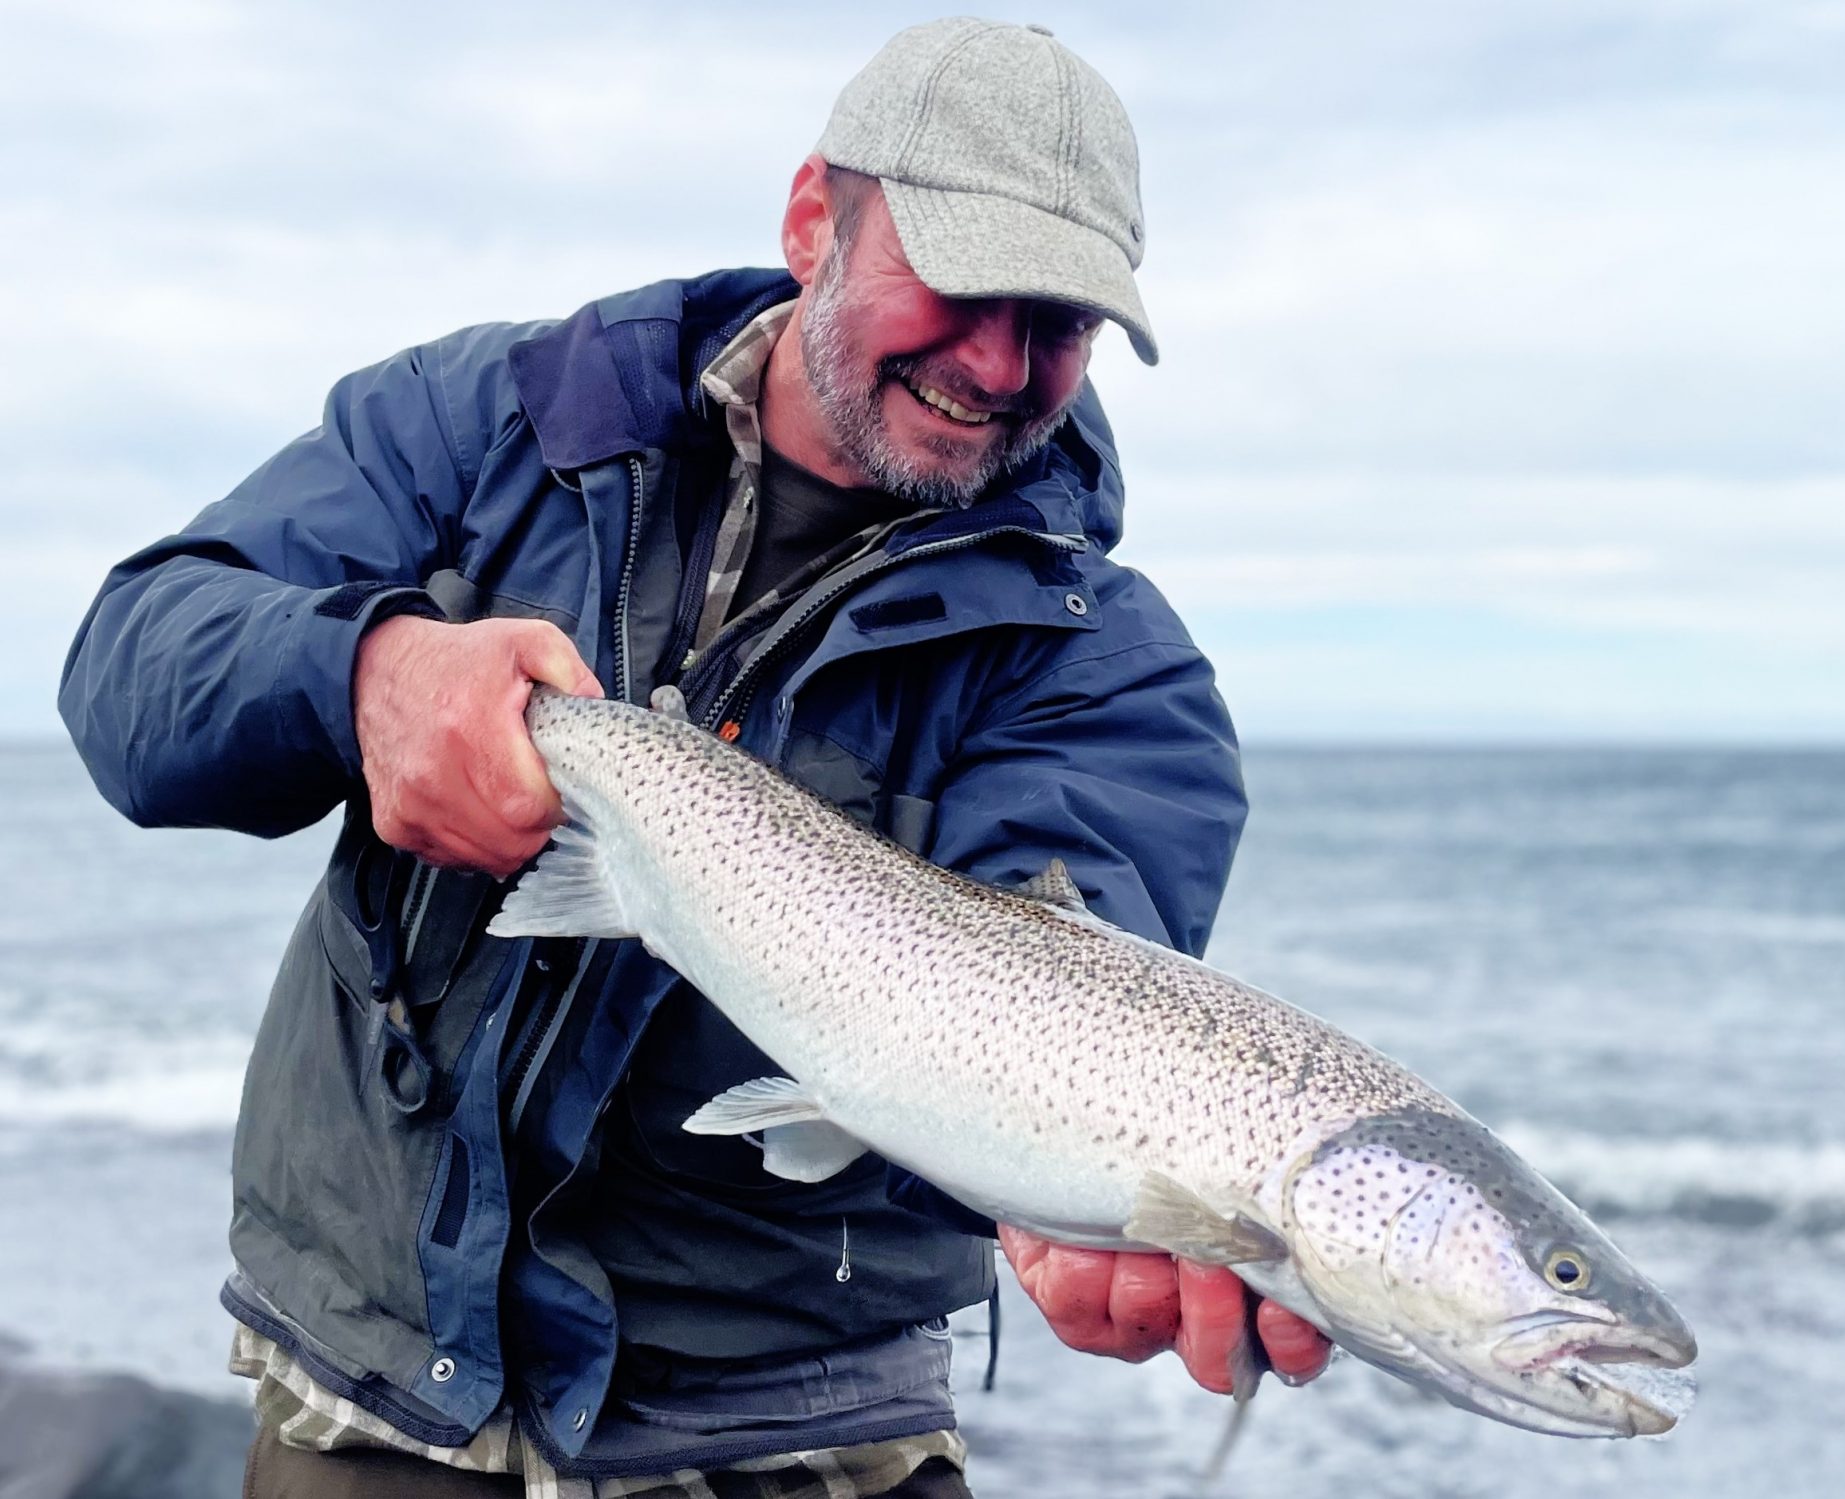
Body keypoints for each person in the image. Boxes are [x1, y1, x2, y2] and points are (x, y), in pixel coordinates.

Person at [60, 17, 1329, 1498]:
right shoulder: (486, 427)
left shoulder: (1111, 672)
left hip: (794, 1446)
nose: (998, 361)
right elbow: (131, 671)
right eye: (965, 283)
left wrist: (1067, 1195)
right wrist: (362, 674)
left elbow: (1068, 991)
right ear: (813, 221)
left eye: (1057, 319)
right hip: (374, 1398)